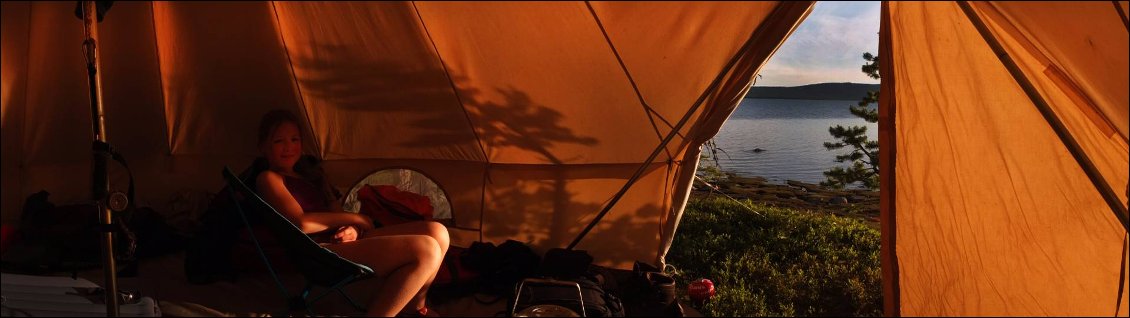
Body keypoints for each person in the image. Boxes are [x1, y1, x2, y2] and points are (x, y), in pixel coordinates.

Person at [253, 109, 449, 317]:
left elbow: (335, 211)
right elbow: (301, 223)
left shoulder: (310, 174)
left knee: (438, 231)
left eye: (294, 139)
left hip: (340, 240)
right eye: (279, 141)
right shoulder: (268, 178)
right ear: (263, 147)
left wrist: (353, 228)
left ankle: (415, 308)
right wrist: (358, 219)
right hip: (318, 251)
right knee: (426, 249)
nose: (289, 147)